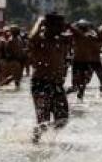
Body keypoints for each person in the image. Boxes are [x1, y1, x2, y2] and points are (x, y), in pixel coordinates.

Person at [27, 12, 74, 143]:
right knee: (43, 120)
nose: (62, 28)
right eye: (59, 26)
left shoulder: (62, 40)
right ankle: (35, 143)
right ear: (49, 26)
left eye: (62, 25)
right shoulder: (40, 40)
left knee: (63, 118)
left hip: (57, 84)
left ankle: (43, 138)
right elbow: (31, 39)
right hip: (41, 83)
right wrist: (39, 22)